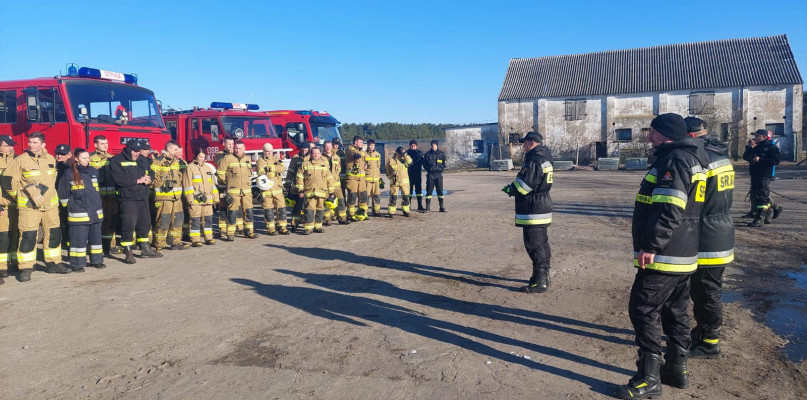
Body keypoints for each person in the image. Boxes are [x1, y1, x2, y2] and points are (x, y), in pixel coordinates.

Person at [615, 113, 709, 399]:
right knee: (675, 311)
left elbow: (670, 208)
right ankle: (676, 370)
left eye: (652, 132)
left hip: (665, 254)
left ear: (666, 133)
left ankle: (649, 378)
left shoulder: (675, 160)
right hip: (683, 252)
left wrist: (652, 246)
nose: (649, 136)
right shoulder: (691, 157)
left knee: (643, 309)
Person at [684, 117, 735, 359]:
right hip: (720, 228)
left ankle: (709, 342)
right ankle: (704, 333)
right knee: (707, 288)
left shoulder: (702, 157)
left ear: (691, 135)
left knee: (706, 291)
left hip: (707, 235)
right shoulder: (719, 152)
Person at [7, 132, 70, 280]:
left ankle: (54, 263)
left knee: (54, 234)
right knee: (28, 236)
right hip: (29, 207)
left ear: (43, 145)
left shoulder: (50, 159)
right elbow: (8, 182)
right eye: (30, 142)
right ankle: (26, 267)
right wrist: (22, 198)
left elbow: (53, 181)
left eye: (34, 142)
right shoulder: (20, 160)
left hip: (50, 207)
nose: (30, 145)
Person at [501, 132, 553, 293]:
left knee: (534, 245)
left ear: (531, 143)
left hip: (533, 208)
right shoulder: (545, 157)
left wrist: (511, 189)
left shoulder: (534, 160)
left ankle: (539, 281)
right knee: (542, 244)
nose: (523, 146)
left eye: (525, 143)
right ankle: (544, 276)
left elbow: (525, 185)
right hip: (541, 205)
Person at [110, 140, 161, 263]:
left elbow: (150, 172)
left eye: (138, 151)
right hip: (128, 199)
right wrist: (137, 180)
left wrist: (149, 179)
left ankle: (145, 249)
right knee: (129, 225)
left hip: (142, 197)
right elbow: (118, 179)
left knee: (145, 224)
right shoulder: (117, 160)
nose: (137, 154)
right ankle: (128, 252)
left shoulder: (142, 160)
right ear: (128, 149)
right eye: (134, 151)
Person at [57, 148, 105, 272]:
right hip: (78, 214)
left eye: (88, 157)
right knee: (78, 241)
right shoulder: (69, 173)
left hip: (95, 212)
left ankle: (97, 261)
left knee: (96, 240)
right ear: (76, 159)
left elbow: (96, 191)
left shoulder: (93, 171)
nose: (87, 160)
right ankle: (77, 264)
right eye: (84, 158)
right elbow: (63, 194)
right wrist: (70, 207)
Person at [151, 140, 187, 252]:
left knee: (177, 221)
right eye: (175, 150)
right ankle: (159, 244)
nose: (177, 152)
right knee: (163, 220)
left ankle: (175, 242)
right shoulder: (158, 161)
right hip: (164, 197)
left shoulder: (177, 162)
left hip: (177, 198)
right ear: (168, 149)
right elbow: (153, 178)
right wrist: (162, 184)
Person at [743, 129, 782, 227]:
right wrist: (749, 148)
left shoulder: (771, 147)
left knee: (762, 196)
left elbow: (776, 160)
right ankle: (773, 210)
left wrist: (761, 159)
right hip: (755, 174)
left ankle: (760, 218)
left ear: (763, 136)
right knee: (757, 195)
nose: (755, 138)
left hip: (764, 175)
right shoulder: (756, 147)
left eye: (757, 136)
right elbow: (745, 157)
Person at [218, 140, 255, 240]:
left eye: (239, 148)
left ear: (244, 149)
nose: (237, 150)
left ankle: (249, 231)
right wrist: (227, 184)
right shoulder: (227, 159)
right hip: (233, 190)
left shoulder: (247, 159)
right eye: (236, 148)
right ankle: (230, 233)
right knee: (232, 212)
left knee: (248, 211)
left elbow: (249, 173)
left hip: (246, 190)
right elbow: (220, 173)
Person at [89, 136, 119, 256]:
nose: (105, 146)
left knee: (110, 220)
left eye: (106, 143)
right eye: (102, 143)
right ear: (95, 145)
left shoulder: (112, 158)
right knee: (97, 222)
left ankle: (110, 246)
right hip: (97, 196)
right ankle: (95, 246)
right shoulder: (90, 158)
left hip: (111, 196)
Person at [183, 147, 218, 246]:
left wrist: (216, 198)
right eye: (200, 157)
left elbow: (212, 185)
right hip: (195, 200)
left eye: (204, 157)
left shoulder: (207, 168)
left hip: (208, 200)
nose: (202, 159)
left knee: (208, 220)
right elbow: (187, 185)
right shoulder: (190, 168)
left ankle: (209, 238)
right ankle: (195, 240)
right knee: (195, 220)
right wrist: (190, 200)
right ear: (196, 156)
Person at [295, 146, 334, 234]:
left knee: (320, 209)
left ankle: (318, 226)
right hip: (309, 191)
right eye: (314, 153)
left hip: (322, 191)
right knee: (309, 209)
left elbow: (330, 178)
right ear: (311, 154)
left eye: (317, 153)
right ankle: (308, 228)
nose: (316, 155)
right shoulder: (305, 164)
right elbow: (299, 177)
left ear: (320, 154)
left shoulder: (325, 164)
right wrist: (300, 190)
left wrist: (331, 191)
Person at [255, 143, 288, 235]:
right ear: (263, 151)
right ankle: (271, 228)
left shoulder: (276, 159)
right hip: (266, 189)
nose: (268, 153)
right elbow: (261, 172)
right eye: (266, 151)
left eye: (270, 151)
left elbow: (282, 168)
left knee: (281, 208)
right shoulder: (260, 161)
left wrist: (269, 168)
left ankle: (282, 227)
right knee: (268, 210)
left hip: (277, 188)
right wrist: (274, 169)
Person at [0, 135, 18, 280]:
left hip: (17, 205)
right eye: (7, 145)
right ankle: (2, 267)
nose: (11, 148)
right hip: (3, 206)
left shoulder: (17, 160)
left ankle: (14, 263)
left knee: (15, 235)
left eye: (12, 145)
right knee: (3, 237)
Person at [286, 142, 314, 231]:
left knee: (308, 205)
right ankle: (294, 224)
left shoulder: (312, 157)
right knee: (297, 206)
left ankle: (307, 223)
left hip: (309, 185)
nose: (303, 151)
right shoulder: (295, 158)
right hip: (297, 186)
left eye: (305, 150)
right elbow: (290, 172)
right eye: (302, 150)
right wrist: (287, 184)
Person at [323, 140, 348, 225]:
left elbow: (339, 169)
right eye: (326, 146)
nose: (328, 148)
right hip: (325, 184)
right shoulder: (321, 158)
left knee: (341, 201)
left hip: (336, 184)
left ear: (332, 147)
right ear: (324, 147)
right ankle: (327, 219)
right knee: (327, 202)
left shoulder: (337, 157)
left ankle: (342, 218)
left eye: (329, 146)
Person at [344, 136, 368, 221]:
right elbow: (356, 155)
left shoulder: (361, 151)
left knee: (363, 196)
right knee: (352, 196)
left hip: (361, 179)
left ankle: (362, 213)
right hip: (352, 178)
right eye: (360, 142)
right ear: (355, 142)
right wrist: (364, 151)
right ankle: (351, 214)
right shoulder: (350, 148)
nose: (362, 144)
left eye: (362, 142)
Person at [215, 138, 236, 236]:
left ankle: (237, 227)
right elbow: (220, 164)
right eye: (229, 144)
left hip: (233, 186)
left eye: (232, 144)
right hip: (223, 185)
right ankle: (222, 228)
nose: (231, 146)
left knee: (234, 206)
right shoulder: (220, 154)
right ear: (224, 144)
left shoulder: (235, 155)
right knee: (223, 207)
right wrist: (229, 156)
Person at [386, 147, 412, 218]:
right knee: (393, 198)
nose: (401, 154)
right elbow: (387, 171)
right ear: (397, 153)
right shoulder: (391, 161)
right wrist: (391, 178)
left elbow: (410, 162)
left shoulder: (405, 159)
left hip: (404, 183)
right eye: (400, 153)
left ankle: (406, 211)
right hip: (395, 182)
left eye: (402, 153)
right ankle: (391, 212)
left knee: (406, 197)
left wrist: (405, 155)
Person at [422, 139, 447, 212]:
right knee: (429, 191)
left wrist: (441, 168)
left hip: (438, 175)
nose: (433, 146)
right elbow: (424, 164)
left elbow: (444, 164)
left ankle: (441, 207)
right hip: (431, 175)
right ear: (431, 145)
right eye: (432, 145)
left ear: (437, 145)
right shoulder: (427, 154)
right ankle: (427, 208)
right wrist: (429, 170)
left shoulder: (441, 154)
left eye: (435, 145)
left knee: (440, 191)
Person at [55, 144, 72, 249]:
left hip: (69, 198)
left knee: (68, 222)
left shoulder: (72, 167)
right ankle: (62, 241)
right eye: (58, 154)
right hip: (54, 198)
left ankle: (68, 241)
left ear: (69, 154)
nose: (60, 156)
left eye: (63, 154)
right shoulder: (52, 165)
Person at [364, 139, 383, 216]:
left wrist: (379, 178)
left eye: (373, 145)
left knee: (376, 196)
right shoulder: (364, 155)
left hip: (376, 179)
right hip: (367, 179)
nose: (371, 147)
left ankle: (376, 211)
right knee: (366, 196)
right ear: (367, 145)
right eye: (370, 145)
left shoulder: (378, 155)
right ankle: (364, 212)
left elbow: (378, 167)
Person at [406, 140, 425, 212]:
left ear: (416, 146)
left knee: (419, 191)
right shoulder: (407, 153)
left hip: (417, 174)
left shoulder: (420, 153)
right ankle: (408, 205)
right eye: (412, 145)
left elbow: (424, 162)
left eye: (414, 145)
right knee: (409, 191)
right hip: (409, 174)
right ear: (410, 146)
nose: (413, 146)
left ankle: (420, 205)